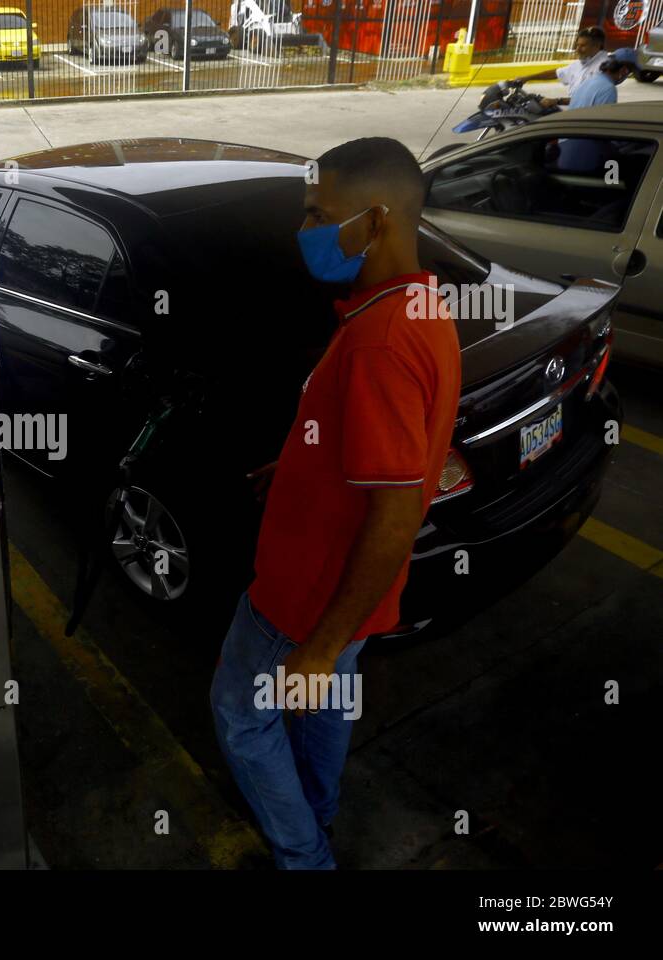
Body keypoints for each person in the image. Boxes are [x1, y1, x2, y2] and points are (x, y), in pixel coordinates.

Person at [209, 137, 461, 869]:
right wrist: (296, 465)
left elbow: (395, 512)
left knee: (243, 718)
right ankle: (318, 811)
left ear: (376, 221)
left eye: (319, 214)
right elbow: (385, 453)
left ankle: (305, 856)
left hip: (303, 598)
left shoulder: (379, 343)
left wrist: (316, 645)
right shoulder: (416, 303)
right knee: (325, 704)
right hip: (348, 599)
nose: (304, 232)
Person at [556, 49, 640, 172]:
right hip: (581, 152)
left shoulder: (592, 80)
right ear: (623, 71)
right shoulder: (608, 88)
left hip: (567, 146)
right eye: (629, 72)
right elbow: (603, 128)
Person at [514, 26, 608, 108]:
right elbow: (556, 73)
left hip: (588, 116)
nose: (577, 50)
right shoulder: (583, 62)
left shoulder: (603, 66)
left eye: (583, 46)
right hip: (577, 111)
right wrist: (527, 78)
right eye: (577, 45)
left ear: (596, 46)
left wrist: (557, 101)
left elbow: (587, 98)